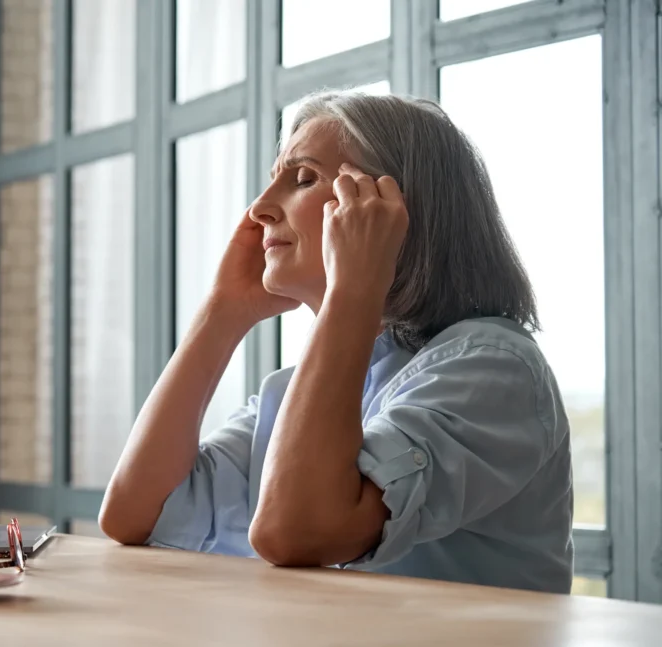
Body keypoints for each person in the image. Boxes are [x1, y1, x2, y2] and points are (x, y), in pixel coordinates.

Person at [98, 90, 573, 594]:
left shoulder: (490, 367)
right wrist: (222, 311)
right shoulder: (296, 394)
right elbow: (132, 514)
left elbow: (294, 532)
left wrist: (355, 286)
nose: (259, 209)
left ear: (389, 214)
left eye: (302, 179)